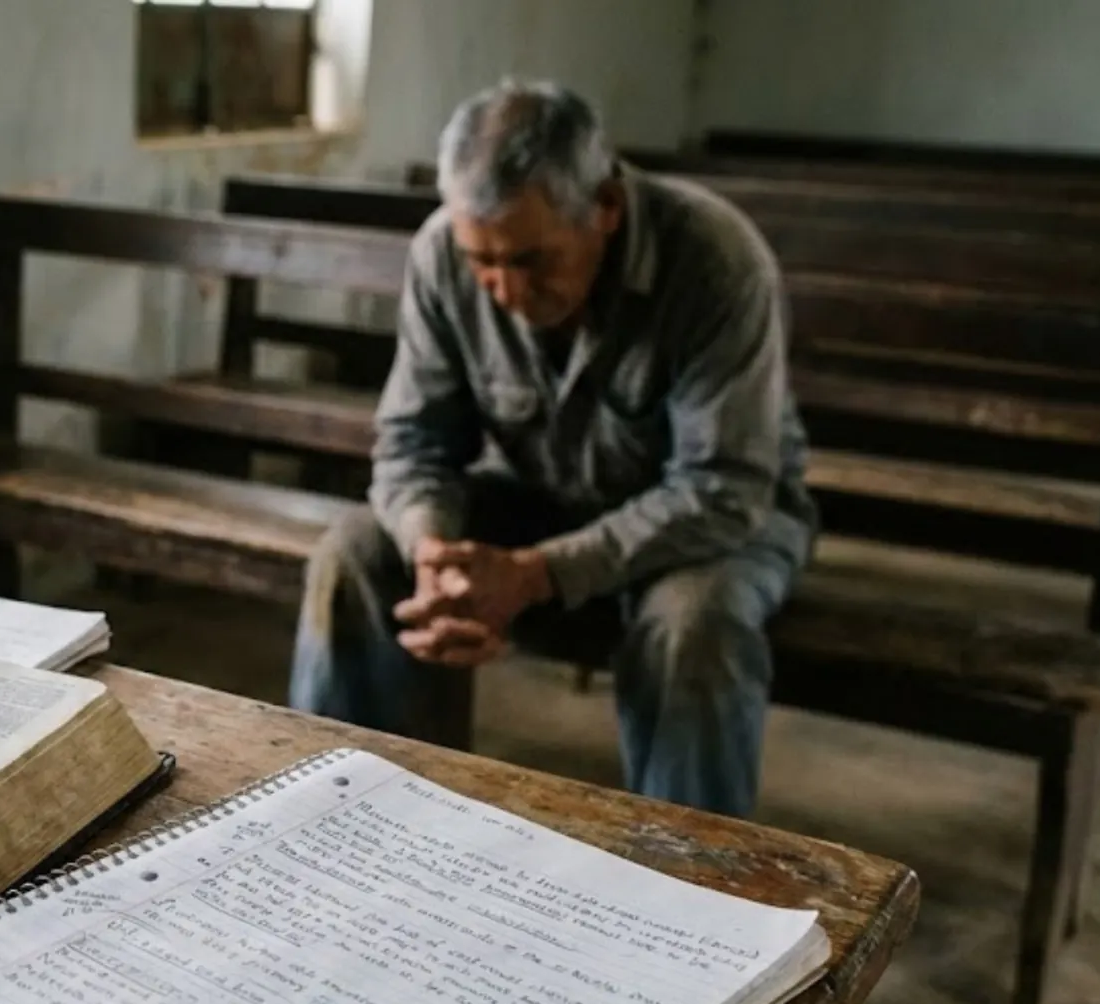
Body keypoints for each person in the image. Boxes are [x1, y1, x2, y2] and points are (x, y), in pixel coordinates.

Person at [287, 77, 817, 819]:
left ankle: (695, 883)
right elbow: (413, 442)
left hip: (716, 522)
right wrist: (434, 549)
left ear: (605, 207)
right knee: (356, 555)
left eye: (531, 260)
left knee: (693, 628)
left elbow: (721, 490)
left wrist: (535, 575)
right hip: (537, 490)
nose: (501, 287)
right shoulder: (443, 251)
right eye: (483, 263)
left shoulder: (714, 259)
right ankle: (348, 821)